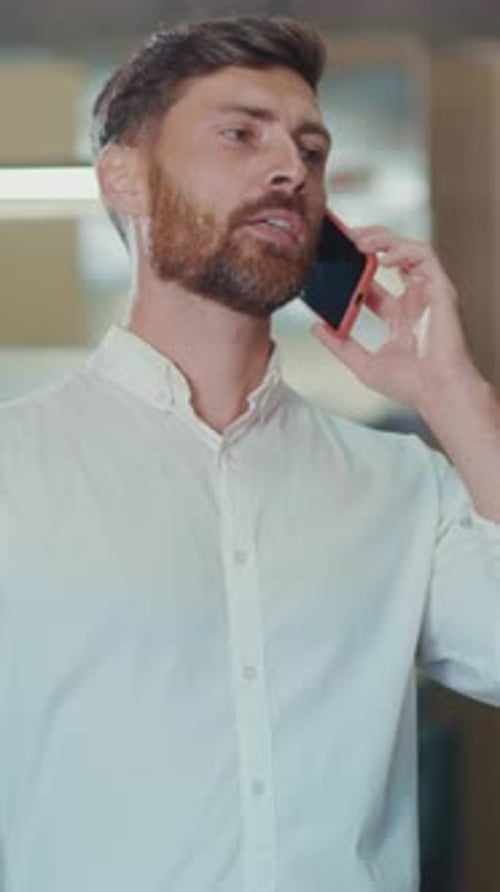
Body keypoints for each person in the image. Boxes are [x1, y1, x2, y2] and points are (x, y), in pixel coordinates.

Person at [0, 15, 498, 892]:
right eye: (241, 133)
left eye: (311, 151)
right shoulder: (14, 468)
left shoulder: (398, 486)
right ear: (125, 178)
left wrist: (456, 397)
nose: (290, 171)